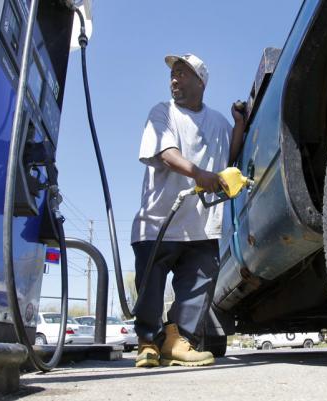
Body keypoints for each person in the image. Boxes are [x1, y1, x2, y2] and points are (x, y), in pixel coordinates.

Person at [130, 53, 245, 368]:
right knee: (150, 288)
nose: (174, 80)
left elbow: (229, 154)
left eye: (182, 74)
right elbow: (167, 154)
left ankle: (178, 343)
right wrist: (200, 174)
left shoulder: (218, 122)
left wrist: (239, 124)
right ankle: (147, 344)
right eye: (172, 75)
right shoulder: (163, 112)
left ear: (201, 81)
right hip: (159, 222)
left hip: (202, 224)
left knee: (197, 287)